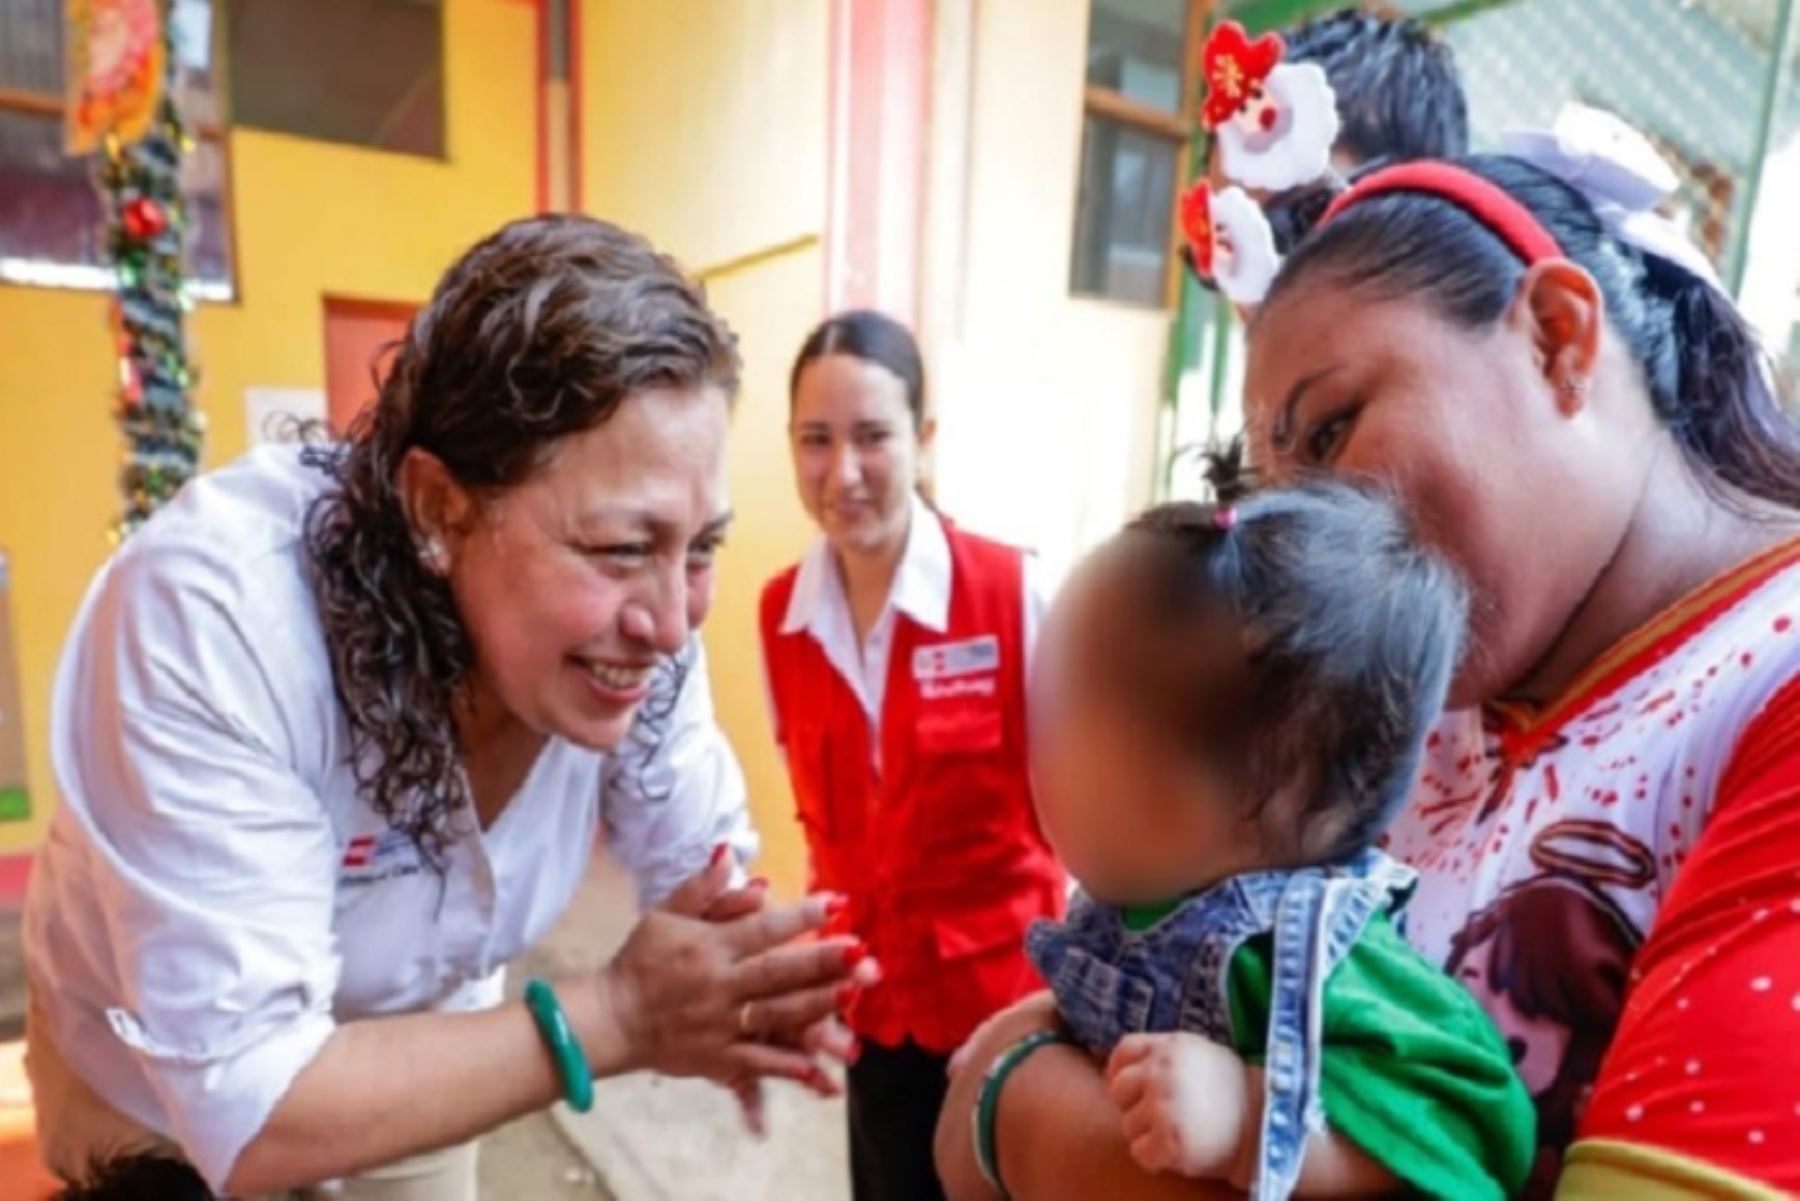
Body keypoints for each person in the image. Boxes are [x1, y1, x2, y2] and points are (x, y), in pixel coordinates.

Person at [936, 151, 1800, 1199]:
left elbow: (1014, 1100)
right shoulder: (1411, 709)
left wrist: (1023, 1113)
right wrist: (1012, 1091)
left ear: (1556, 335)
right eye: (1270, 489)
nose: (1308, 529)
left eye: (1333, 429)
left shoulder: (1766, 681)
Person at [24, 215, 874, 1200]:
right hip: (154, 1084)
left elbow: (703, 880)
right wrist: (622, 1016)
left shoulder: (643, 632)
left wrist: (748, 981)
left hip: (422, 1040)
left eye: (702, 546)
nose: (672, 620)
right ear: (438, 508)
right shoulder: (216, 616)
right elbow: (248, 1104)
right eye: (620, 547)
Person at [1015, 482, 1534, 1201]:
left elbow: (1477, 1119)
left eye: (1052, 711)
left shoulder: (1305, 953)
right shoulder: (1140, 897)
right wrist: (1039, 1026)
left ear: (1175, 808)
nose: (1026, 734)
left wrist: (1249, 1117)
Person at [760, 311, 1065, 1201]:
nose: (842, 472)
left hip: (1006, 1018)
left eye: (872, 437)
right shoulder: (783, 617)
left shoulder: (1014, 593)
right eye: (816, 440)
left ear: (923, 440)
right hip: (873, 1016)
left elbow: (1083, 822)